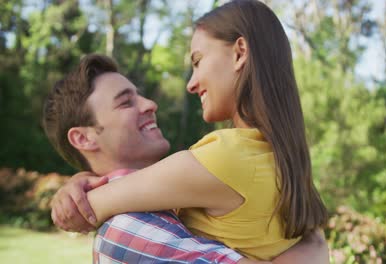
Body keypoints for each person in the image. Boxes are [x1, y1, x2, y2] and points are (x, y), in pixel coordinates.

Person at [52, 0, 329, 261]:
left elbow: (85, 209)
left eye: (198, 61)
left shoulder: (224, 157)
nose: (191, 84)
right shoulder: (273, 158)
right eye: (126, 102)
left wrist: (74, 192)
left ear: (239, 53)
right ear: (83, 138)